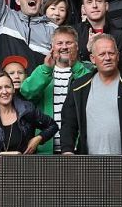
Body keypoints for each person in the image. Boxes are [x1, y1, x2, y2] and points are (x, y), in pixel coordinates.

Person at [60, 33, 122, 156]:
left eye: (111, 53)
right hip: (88, 164)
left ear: (117, 56)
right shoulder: (79, 87)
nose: (107, 58)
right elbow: (68, 123)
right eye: (101, 54)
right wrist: (67, 150)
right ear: (92, 59)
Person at [19, 26, 92, 154]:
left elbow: (92, 90)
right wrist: (46, 69)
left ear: (77, 46)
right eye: (59, 43)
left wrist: (75, 66)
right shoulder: (43, 71)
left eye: (68, 43)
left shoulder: (87, 69)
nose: (64, 47)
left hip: (78, 147)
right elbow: (26, 92)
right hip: (46, 146)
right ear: (52, 47)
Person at [0, 70, 58, 155]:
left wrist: (38, 138)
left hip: (24, 166)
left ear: (13, 89)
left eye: (7, 87)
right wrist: (3, 154)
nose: (4, 92)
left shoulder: (26, 108)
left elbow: (52, 125)